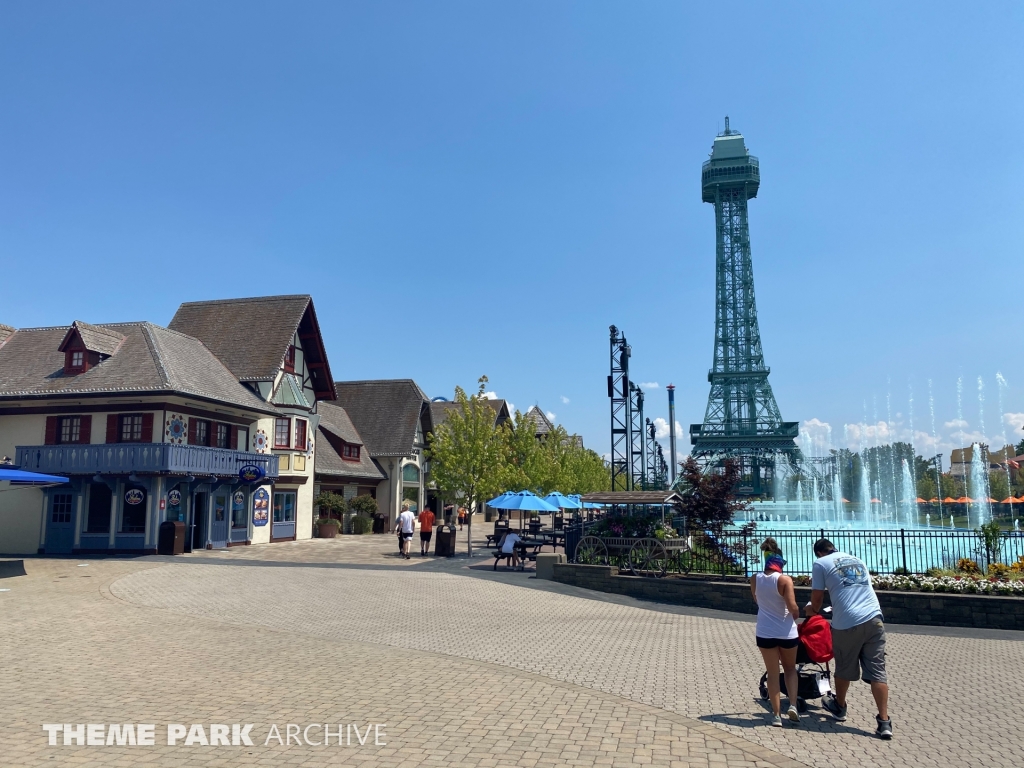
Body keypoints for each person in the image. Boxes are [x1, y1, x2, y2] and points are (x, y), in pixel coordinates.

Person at [806, 538, 892, 739]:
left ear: (818, 553)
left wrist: (811, 610)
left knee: (844, 666)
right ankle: (884, 722)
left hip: (847, 622)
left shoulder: (820, 563)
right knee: (877, 671)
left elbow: (817, 598)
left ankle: (840, 706)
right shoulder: (856, 559)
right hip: (874, 618)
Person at [750, 552, 801, 727]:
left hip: (765, 631)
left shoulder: (755, 578)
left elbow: (757, 600)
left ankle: (776, 715)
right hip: (786, 632)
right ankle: (793, 705)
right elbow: (792, 607)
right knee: (790, 669)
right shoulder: (784, 580)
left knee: (772, 674)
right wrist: (797, 613)